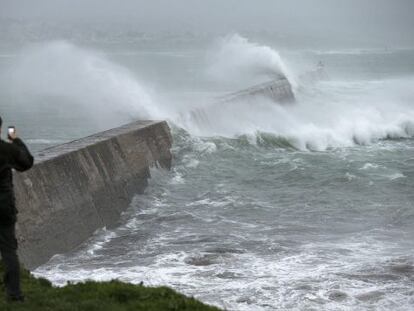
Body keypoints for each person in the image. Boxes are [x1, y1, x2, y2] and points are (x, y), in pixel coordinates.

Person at [0, 116, 34, 302]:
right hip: (4, 206)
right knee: (8, 251)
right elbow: (27, 162)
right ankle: (14, 295)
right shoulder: (6, 149)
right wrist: (16, 139)